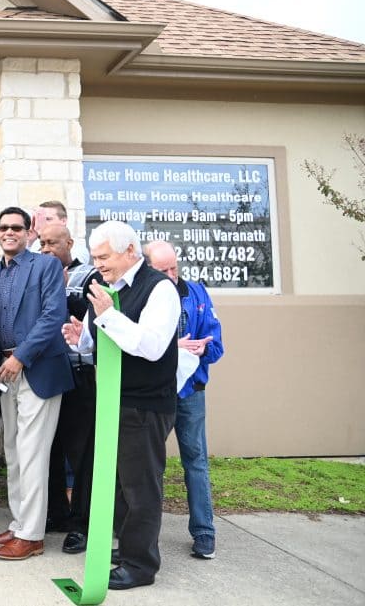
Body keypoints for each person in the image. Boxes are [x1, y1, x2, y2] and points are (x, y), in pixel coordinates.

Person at [62, 221, 180, 590]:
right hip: (113, 401)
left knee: (140, 487)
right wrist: (80, 338)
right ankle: (128, 548)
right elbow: (103, 344)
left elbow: (151, 345)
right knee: (116, 485)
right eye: (94, 257)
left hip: (145, 407)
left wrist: (108, 317)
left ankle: (141, 566)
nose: (97, 264)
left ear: (130, 251)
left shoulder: (160, 289)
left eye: (103, 256)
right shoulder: (109, 290)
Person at [0, 207, 73, 561]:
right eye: (3, 227)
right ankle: (19, 525)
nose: (9, 232)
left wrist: (21, 356)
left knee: (33, 453)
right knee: (14, 452)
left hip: (38, 368)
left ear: (28, 232)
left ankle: (32, 535)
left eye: (16, 227)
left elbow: (53, 316)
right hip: (4, 370)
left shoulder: (45, 266)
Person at [145, 240, 224, 560]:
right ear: (149, 268)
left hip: (191, 392)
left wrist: (204, 347)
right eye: (163, 270)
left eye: (174, 267)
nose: (171, 275)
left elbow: (217, 346)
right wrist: (171, 348)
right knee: (148, 466)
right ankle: (142, 534)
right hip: (156, 393)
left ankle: (204, 533)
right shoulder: (144, 296)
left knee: (196, 462)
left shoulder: (197, 294)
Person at [40, 224, 101, 553]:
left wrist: (61, 292)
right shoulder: (38, 272)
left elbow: (91, 319)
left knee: (81, 454)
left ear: (69, 243)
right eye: (43, 243)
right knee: (49, 448)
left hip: (80, 376)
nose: (47, 248)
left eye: (53, 242)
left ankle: (82, 523)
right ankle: (56, 514)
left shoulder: (89, 275)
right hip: (48, 374)